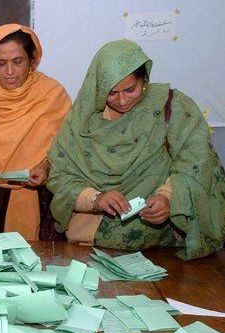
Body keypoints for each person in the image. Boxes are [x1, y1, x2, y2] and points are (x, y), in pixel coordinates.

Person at [47, 39, 225, 260]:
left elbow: (195, 161)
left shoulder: (173, 107)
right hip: (94, 248)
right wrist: (96, 199)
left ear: (145, 80)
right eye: (111, 93)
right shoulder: (82, 121)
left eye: (130, 89)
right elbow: (60, 177)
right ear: (98, 89)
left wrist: (168, 198)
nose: (122, 101)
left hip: (168, 250)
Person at [0, 24, 71, 240]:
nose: (10, 72)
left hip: (42, 199)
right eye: (1, 63)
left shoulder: (52, 95)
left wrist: (47, 166)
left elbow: (70, 148)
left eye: (18, 62)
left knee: (40, 267)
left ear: (32, 60)